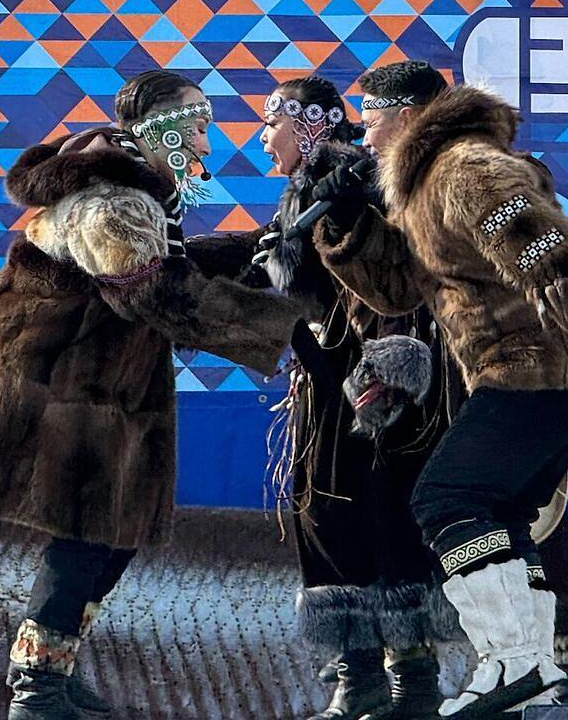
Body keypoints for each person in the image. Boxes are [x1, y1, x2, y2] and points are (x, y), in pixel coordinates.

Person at [315, 60, 568, 718]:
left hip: (544, 367)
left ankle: (512, 658)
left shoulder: (464, 166)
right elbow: (396, 290)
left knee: (446, 498)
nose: (363, 140)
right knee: (500, 514)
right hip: (531, 373)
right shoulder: (423, 184)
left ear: (405, 118)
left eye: (370, 124)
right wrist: (348, 222)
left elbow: (542, 244)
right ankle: (534, 666)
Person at [0, 70, 307, 720]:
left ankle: (52, 669)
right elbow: (155, 291)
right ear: (157, 128)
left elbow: (167, 263)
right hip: (60, 383)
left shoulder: (135, 194)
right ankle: (35, 691)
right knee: (87, 531)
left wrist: (253, 250)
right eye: (195, 125)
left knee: (115, 533)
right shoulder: (112, 200)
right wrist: (286, 321)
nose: (205, 143)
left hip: (100, 380)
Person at [243, 75, 456, 719]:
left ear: (308, 124)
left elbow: (395, 280)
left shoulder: (353, 181)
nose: (263, 137)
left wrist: (382, 373)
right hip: (330, 385)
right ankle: (366, 677)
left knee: (376, 521)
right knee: (333, 520)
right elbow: (277, 265)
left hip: (368, 389)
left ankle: (407, 684)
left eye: (272, 123)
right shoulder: (309, 189)